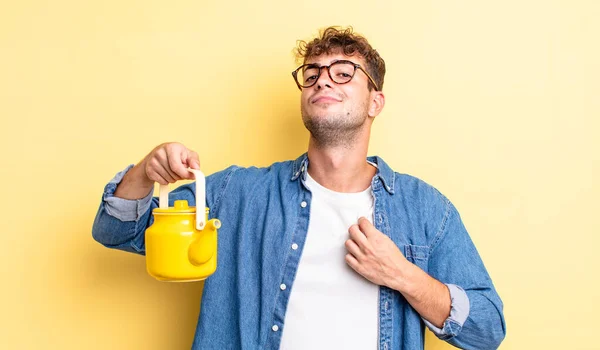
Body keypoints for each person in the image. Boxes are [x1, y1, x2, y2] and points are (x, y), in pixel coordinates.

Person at [92, 26, 506, 349]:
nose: (323, 81)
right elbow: (117, 230)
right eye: (312, 74)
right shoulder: (237, 194)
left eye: (343, 73)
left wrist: (404, 276)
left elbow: (487, 329)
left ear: (375, 103)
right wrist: (145, 172)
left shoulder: (425, 209)